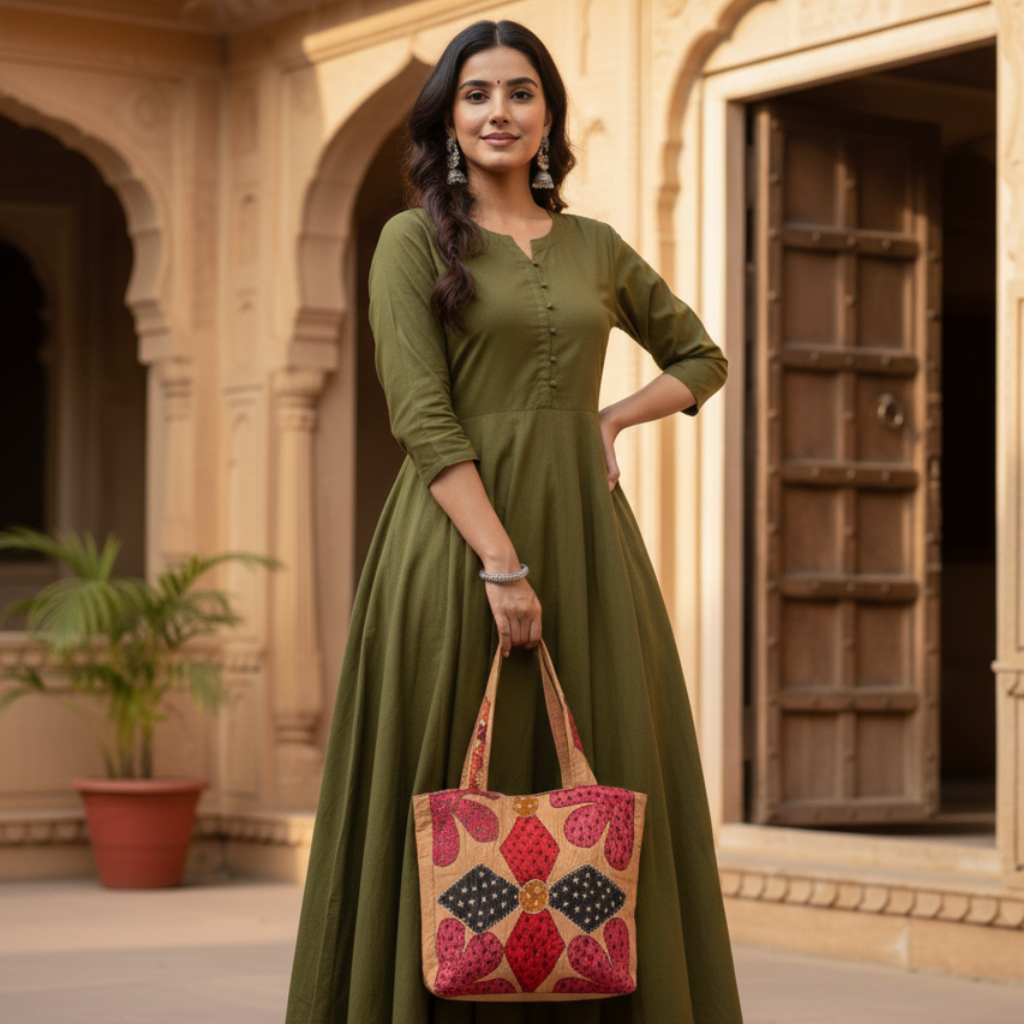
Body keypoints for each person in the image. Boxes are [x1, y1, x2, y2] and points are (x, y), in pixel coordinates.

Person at [286, 18, 744, 1024]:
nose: (500, 112)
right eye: (478, 93)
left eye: (521, 92)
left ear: (548, 115)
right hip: (454, 549)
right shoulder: (412, 240)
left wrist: (613, 417)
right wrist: (500, 563)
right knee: (453, 778)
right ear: (449, 116)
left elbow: (701, 356)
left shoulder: (595, 247)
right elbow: (419, 411)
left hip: (589, 545)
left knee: (606, 777)